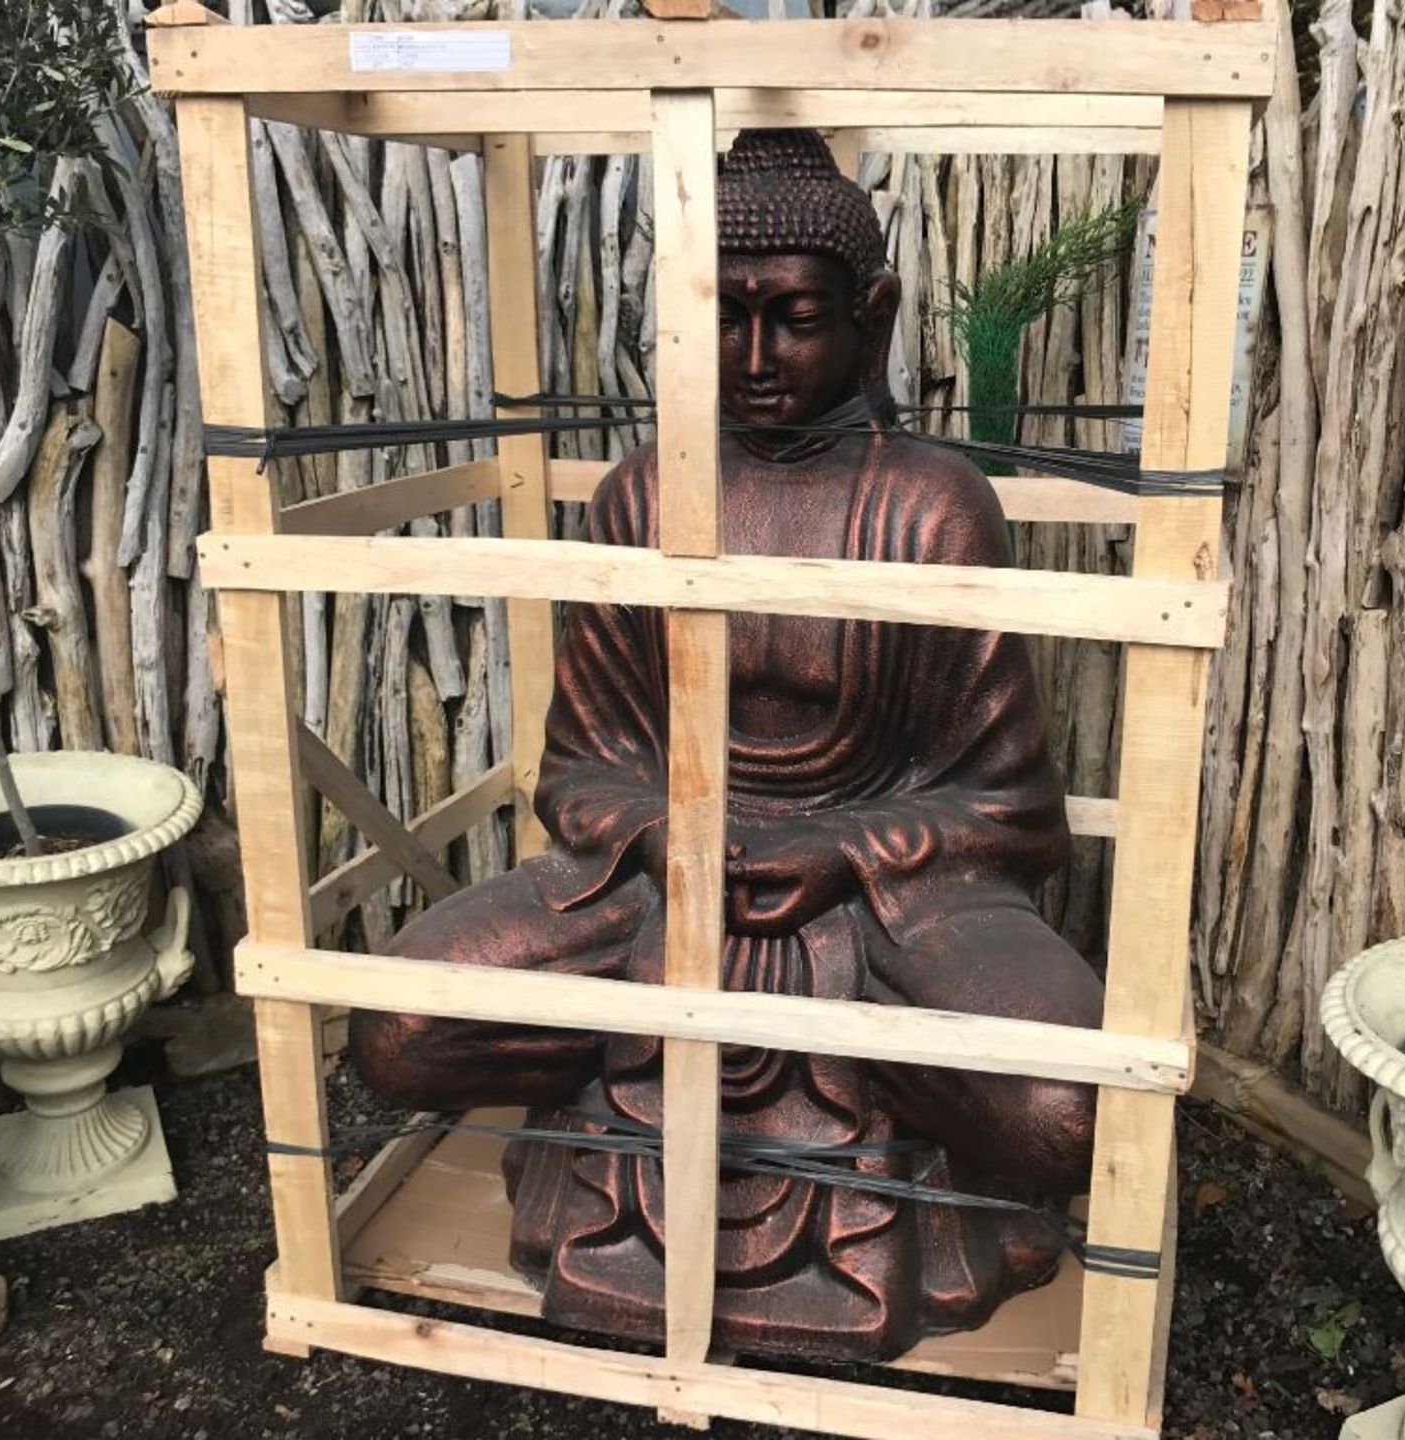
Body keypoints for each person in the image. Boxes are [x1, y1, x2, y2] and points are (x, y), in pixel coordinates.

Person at [352, 128, 1104, 1363]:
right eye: (726, 320)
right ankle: (631, 1125)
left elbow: (1010, 807)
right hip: (651, 880)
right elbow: (580, 768)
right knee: (397, 1032)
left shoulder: (931, 504)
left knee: (1063, 1113)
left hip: (891, 896)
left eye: (794, 318)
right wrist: (669, 834)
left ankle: (863, 1163)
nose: (755, 359)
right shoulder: (645, 493)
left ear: (874, 312)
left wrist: (843, 851)